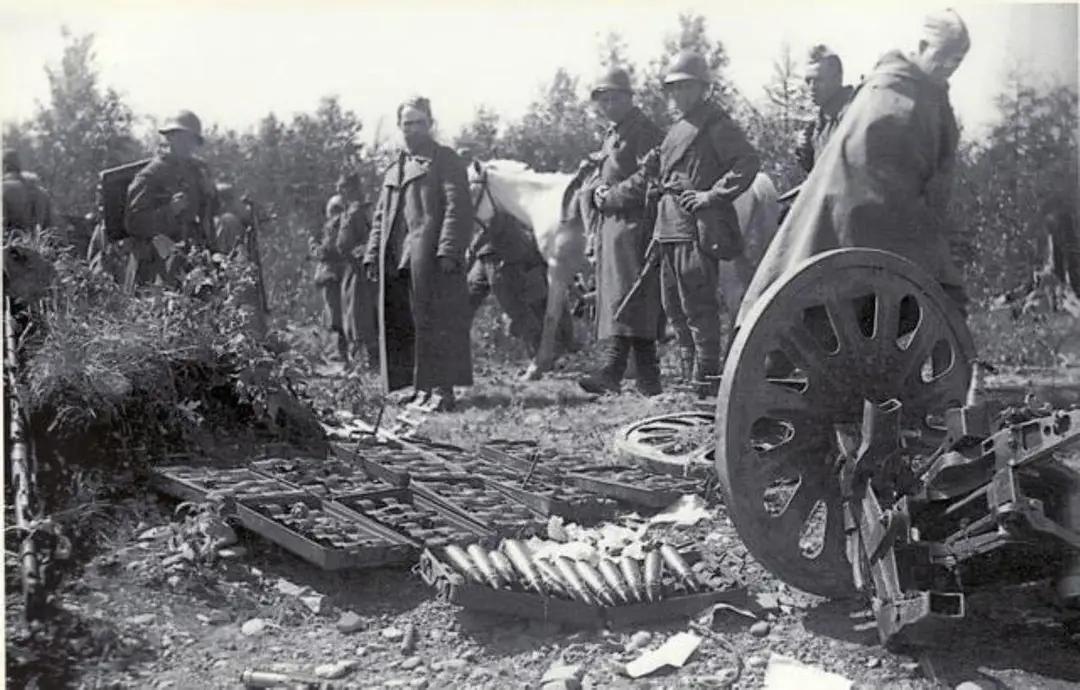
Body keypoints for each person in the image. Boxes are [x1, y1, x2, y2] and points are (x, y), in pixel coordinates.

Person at [740, 10, 973, 328]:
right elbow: (872, 170)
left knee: (940, 301)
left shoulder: (922, 95)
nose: (949, 67)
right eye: (943, 57)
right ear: (921, 46)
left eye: (956, 61)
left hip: (893, 222)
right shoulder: (890, 94)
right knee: (941, 299)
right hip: (865, 224)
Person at [650, 50, 761, 396]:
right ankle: (689, 380)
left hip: (695, 225)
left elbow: (747, 162)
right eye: (674, 88)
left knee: (698, 306)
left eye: (687, 87)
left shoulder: (716, 124)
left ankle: (707, 381)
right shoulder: (675, 131)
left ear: (703, 88)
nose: (679, 94)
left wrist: (711, 195)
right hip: (668, 225)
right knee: (673, 307)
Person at [363, 96, 473, 412]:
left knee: (438, 321)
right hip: (396, 257)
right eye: (407, 124)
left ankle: (441, 390)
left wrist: (449, 249)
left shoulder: (445, 160)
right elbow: (381, 217)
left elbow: (457, 207)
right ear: (400, 127)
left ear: (430, 124)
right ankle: (417, 387)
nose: (412, 129)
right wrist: (372, 253)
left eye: (419, 123)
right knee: (406, 324)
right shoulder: (394, 168)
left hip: (430, 256)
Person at [579, 66, 664, 396]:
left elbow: (649, 177)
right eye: (603, 100)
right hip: (613, 226)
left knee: (632, 298)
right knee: (624, 298)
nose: (608, 105)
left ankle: (614, 371)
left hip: (635, 224)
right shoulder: (613, 133)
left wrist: (610, 196)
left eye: (614, 98)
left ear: (629, 98)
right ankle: (646, 378)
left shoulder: (643, 132)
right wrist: (598, 192)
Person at [123, 109, 216, 292]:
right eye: (181, 139)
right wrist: (170, 211)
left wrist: (210, 194)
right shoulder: (150, 175)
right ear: (170, 138)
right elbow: (134, 223)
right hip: (155, 266)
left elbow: (210, 214)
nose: (187, 145)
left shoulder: (197, 172)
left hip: (191, 260)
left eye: (191, 140)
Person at [336, 172, 379, 370]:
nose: (339, 190)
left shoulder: (360, 211)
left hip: (360, 270)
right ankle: (358, 359)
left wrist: (362, 252)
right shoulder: (347, 211)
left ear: (352, 188)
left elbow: (370, 238)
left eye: (343, 186)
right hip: (349, 269)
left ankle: (371, 360)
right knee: (352, 314)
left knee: (362, 315)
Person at [796, 45, 856, 173]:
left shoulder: (853, 116)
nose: (812, 87)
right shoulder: (821, 120)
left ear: (837, 79)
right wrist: (806, 153)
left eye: (819, 80)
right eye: (808, 81)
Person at [311, 186, 351, 363]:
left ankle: (344, 353)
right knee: (335, 315)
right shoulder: (332, 227)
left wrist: (317, 249)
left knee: (340, 316)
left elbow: (329, 249)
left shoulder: (339, 226)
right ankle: (340, 351)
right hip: (333, 274)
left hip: (337, 274)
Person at [3, 149, 54, 235]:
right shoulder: (42, 193)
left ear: (5, 166)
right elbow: (50, 230)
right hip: (37, 242)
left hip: (10, 242)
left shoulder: (3, 189)